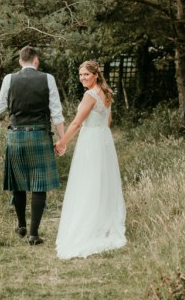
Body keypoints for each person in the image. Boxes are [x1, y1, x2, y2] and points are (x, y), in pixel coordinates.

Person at [54, 60, 126, 259]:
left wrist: (62, 143)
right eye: (80, 75)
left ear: (96, 75)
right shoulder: (106, 93)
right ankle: (101, 223)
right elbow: (108, 121)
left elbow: (77, 123)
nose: (82, 78)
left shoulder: (90, 95)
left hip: (91, 141)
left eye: (86, 74)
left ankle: (89, 225)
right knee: (100, 182)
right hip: (103, 140)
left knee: (87, 182)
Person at [0, 46, 65, 245]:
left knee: (18, 182)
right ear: (36, 60)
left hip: (16, 136)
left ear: (20, 61)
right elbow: (56, 112)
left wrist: (15, 103)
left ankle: (21, 224)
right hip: (40, 135)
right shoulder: (48, 78)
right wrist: (62, 140)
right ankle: (33, 234)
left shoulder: (9, 78)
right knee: (38, 184)